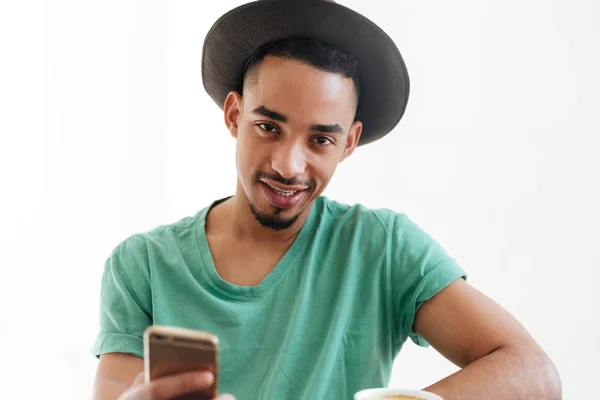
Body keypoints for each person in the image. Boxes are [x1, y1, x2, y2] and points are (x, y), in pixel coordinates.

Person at [92, 1, 561, 399]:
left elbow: (534, 373)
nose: (289, 166)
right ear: (234, 114)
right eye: (268, 127)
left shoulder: (382, 247)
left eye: (320, 140)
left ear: (349, 142)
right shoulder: (142, 265)